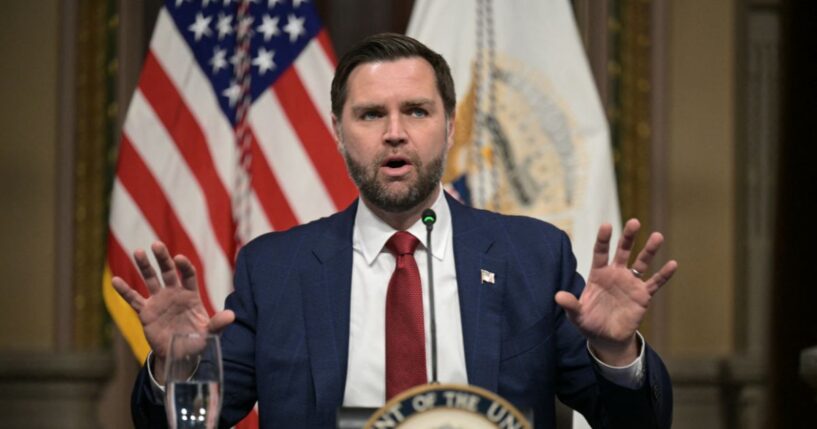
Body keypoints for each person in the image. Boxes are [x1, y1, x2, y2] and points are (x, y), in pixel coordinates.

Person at [113, 33, 677, 428]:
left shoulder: (531, 256)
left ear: (451, 124)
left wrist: (615, 351)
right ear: (338, 131)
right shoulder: (274, 269)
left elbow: (633, 423)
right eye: (370, 115)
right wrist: (176, 368)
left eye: (417, 110)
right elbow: (186, 421)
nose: (395, 133)